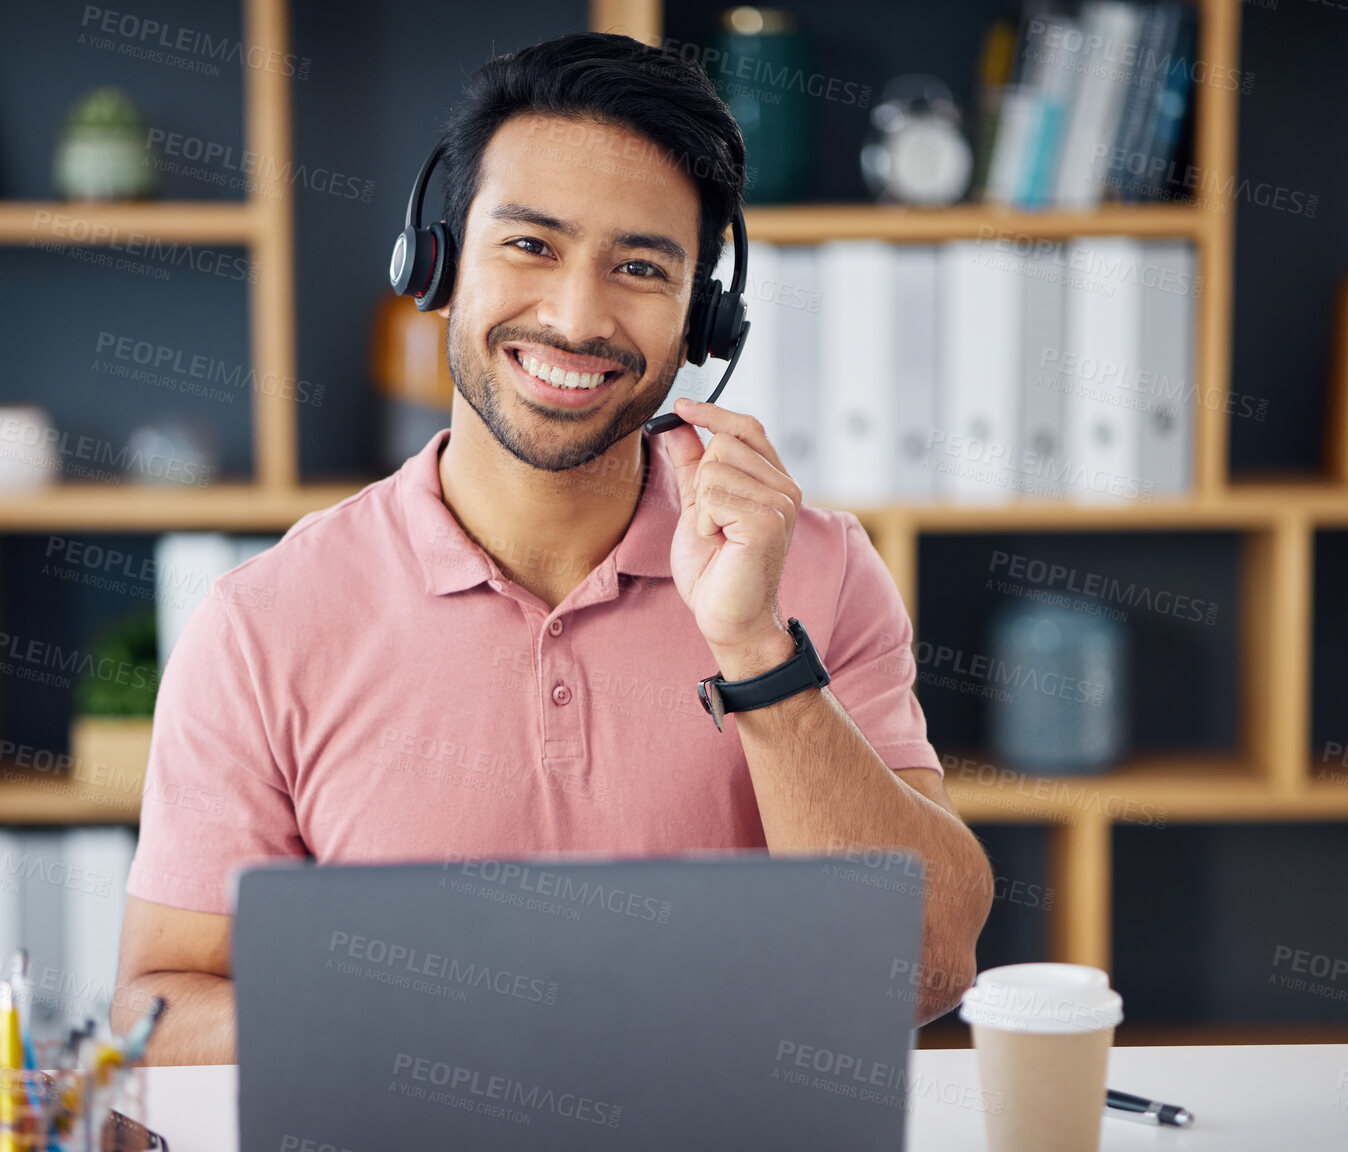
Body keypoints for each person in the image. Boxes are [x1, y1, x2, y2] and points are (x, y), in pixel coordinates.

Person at [114, 31, 992, 1065]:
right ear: (434, 263)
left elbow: (927, 972)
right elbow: (154, 1011)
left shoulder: (819, 570)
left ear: (703, 319)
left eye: (640, 267)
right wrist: (471, 1026)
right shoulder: (263, 621)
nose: (578, 318)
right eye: (529, 246)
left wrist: (756, 649)